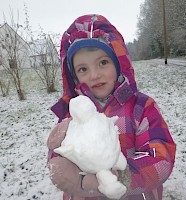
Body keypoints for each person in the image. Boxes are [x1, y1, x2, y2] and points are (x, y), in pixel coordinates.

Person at [47, 14, 176, 200]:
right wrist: (66, 173)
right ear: (73, 75)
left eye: (103, 63)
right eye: (83, 69)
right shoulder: (71, 115)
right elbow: (58, 152)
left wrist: (121, 178)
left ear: (119, 64)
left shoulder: (141, 108)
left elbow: (161, 157)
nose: (94, 75)